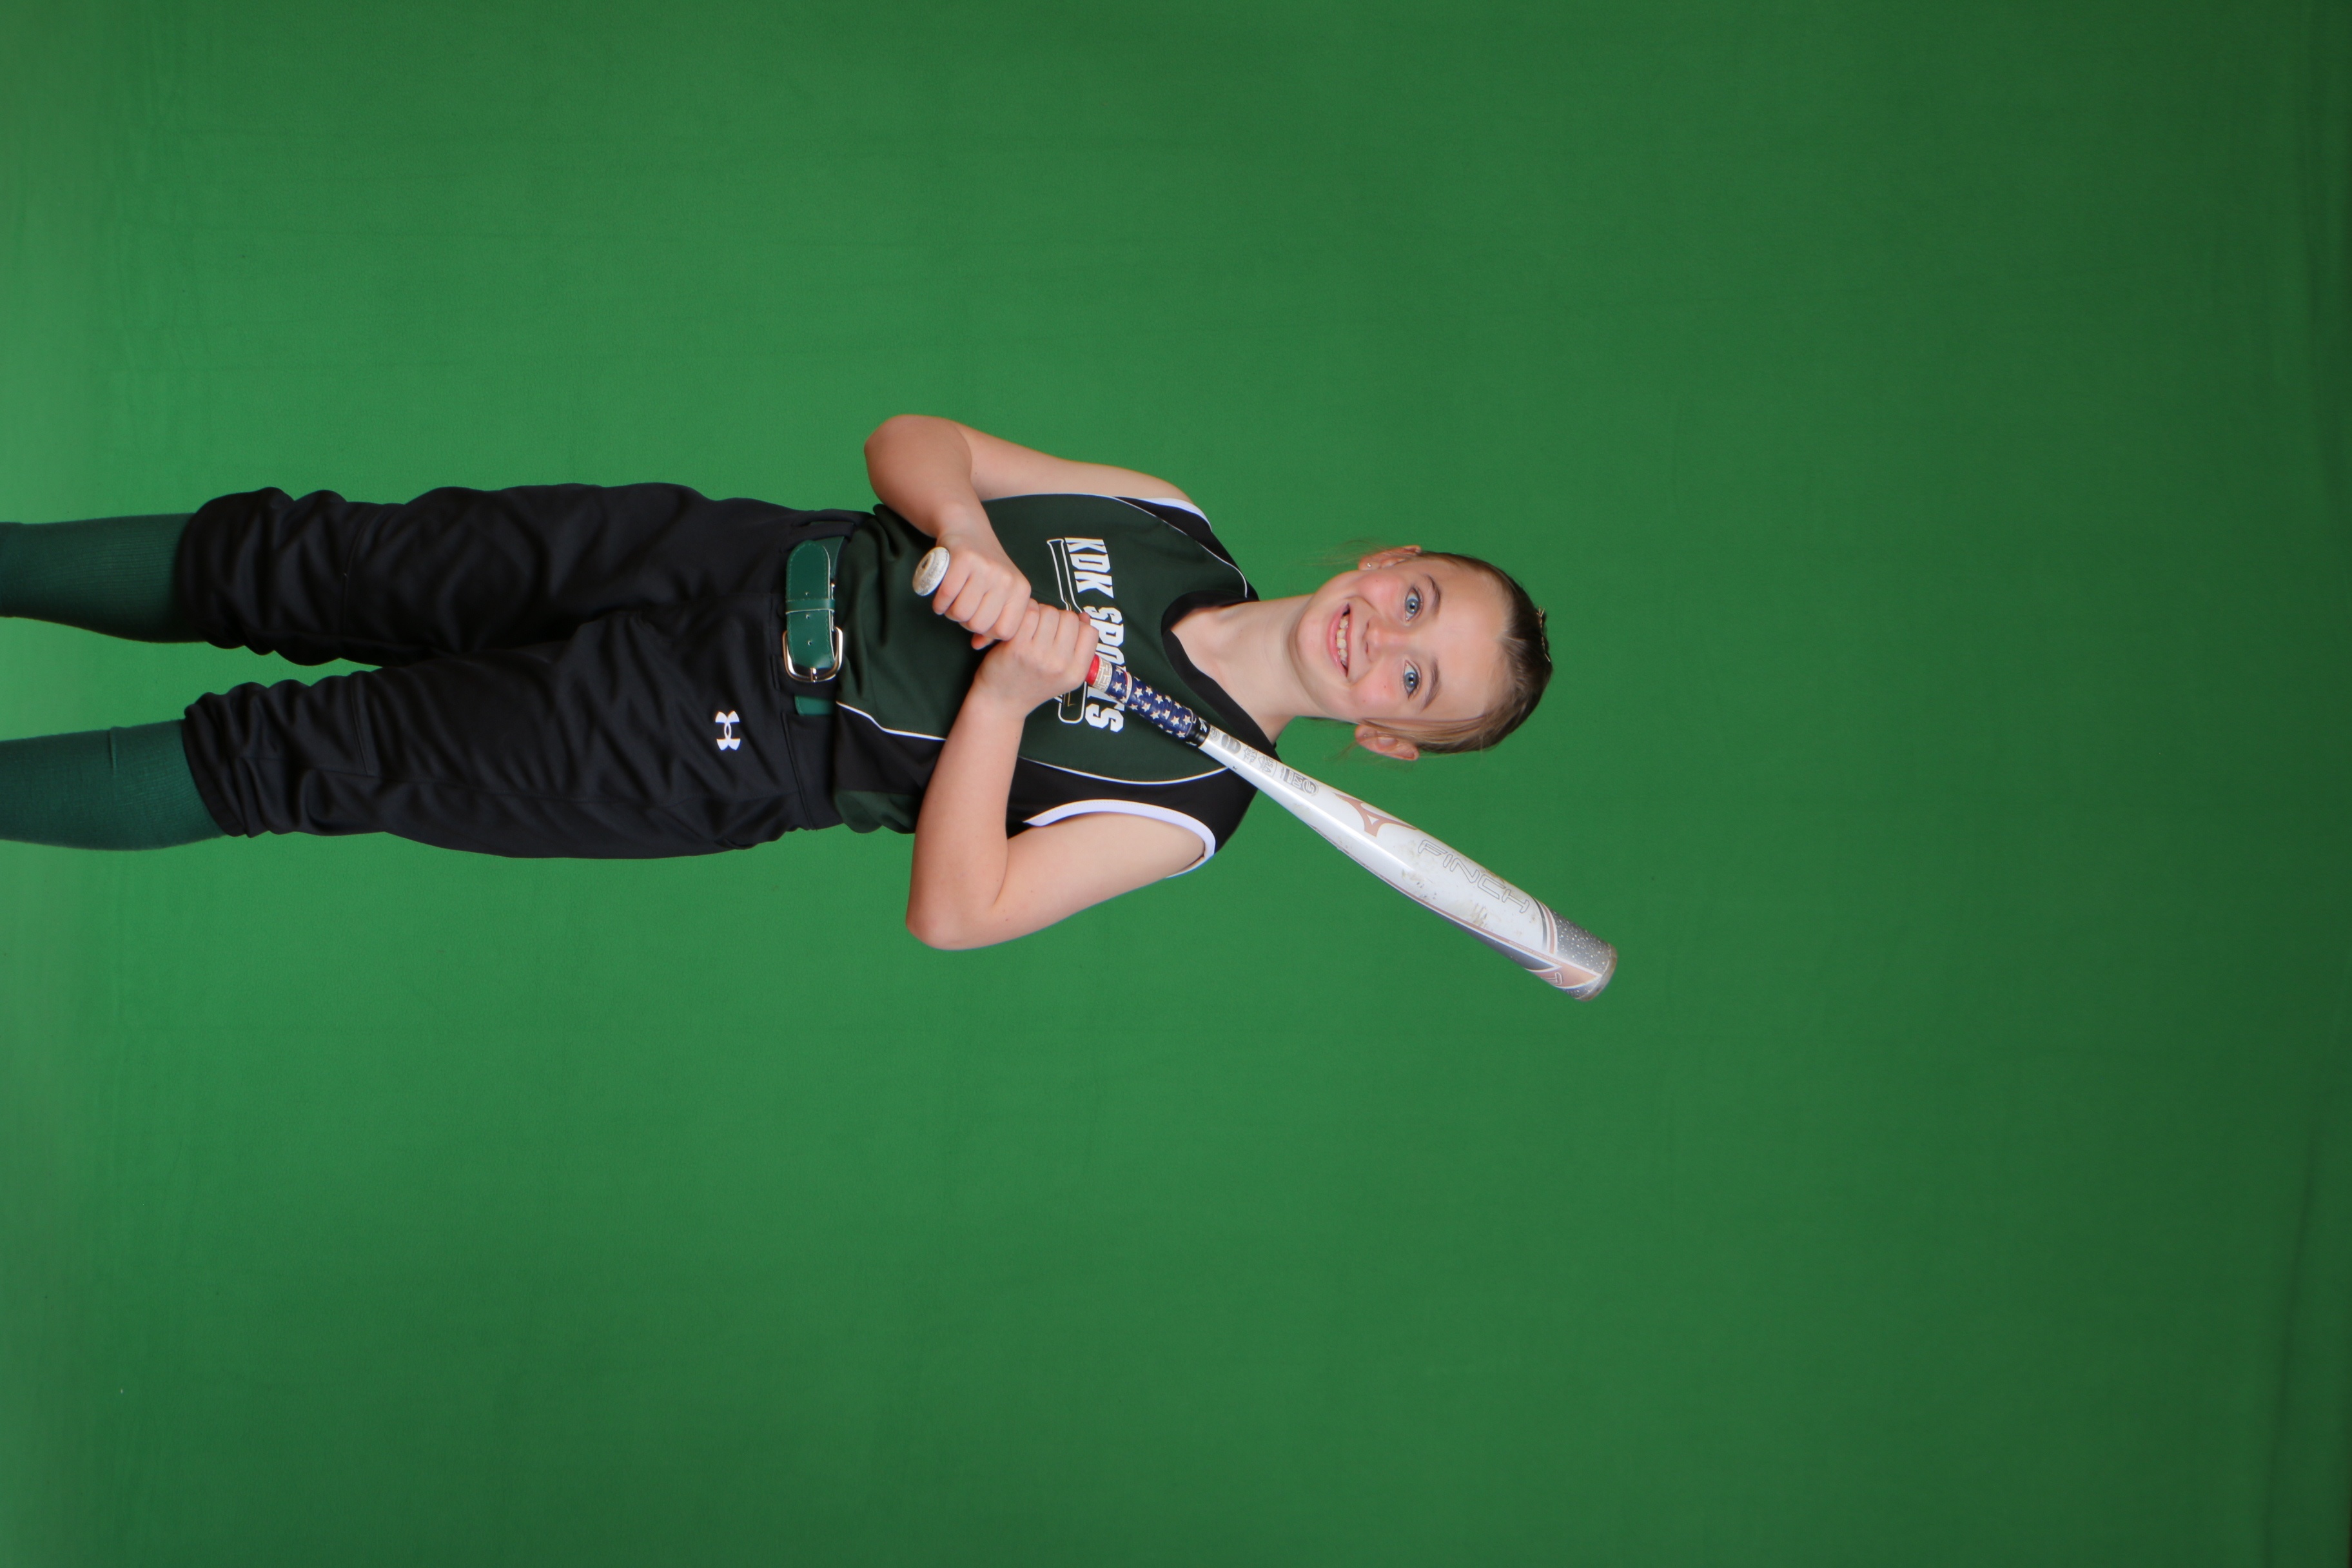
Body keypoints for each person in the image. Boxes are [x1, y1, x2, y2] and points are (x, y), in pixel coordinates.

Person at [0, 416, 1551, 947]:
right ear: (1389, 557)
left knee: (292, 754)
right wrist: (967, 539)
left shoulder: (1190, 806)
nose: (1382, 635)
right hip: (719, 554)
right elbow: (914, 443)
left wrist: (1004, 701)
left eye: (1417, 676)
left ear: (1386, 738)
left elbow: (959, 910)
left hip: (716, 738)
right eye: (1414, 601)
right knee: (302, 559)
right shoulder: (1169, 522)